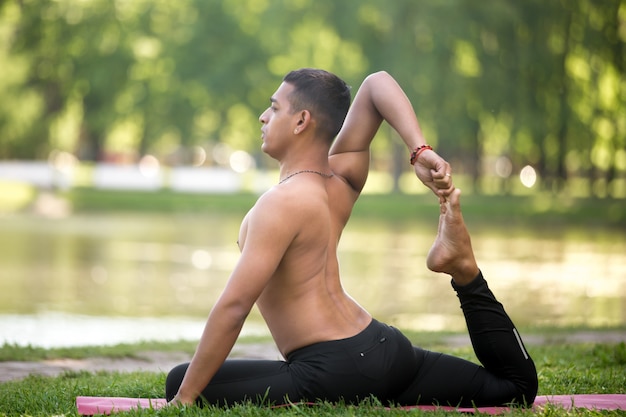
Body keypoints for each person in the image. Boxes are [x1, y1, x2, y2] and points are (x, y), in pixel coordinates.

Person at [165, 69, 538, 408]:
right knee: (516, 387)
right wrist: (420, 149)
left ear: (301, 121)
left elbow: (234, 307)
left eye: (274, 109)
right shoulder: (340, 181)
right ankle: (465, 271)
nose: (263, 117)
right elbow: (377, 84)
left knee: (182, 381)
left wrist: (183, 399)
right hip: (386, 349)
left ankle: (182, 392)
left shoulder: (278, 205)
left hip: (332, 371)